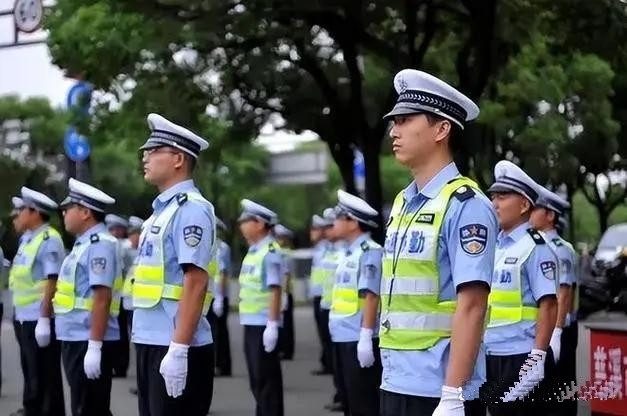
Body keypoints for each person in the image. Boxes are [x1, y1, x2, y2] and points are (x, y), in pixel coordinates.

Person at [379, 69, 496, 416]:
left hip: (439, 388)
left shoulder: (466, 205)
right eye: (393, 122)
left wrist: (452, 394)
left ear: (442, 129)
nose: (393, 131)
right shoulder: (403, 202)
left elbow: (473, 304)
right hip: (396, 378)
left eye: (404, 120)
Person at [131, 113, 217, 416]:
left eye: (154, 150)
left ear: (178, 158)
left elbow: (195, 281)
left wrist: (179, 348)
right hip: (151, 339)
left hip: (175, 343)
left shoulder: (191, 210)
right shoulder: (160, 213)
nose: (145, 156)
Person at [480, 160, 559, 414]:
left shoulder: (536, 248)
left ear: (524, 205)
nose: (495, 204)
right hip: (492, 354)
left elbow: (548, 304)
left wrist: (537, 356)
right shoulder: (495, 246)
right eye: (494, 197)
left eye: (502, 197)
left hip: (521, 356)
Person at [54, 178, 122, 416]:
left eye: (68, 208)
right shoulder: (84, 244)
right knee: (88, 405)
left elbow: (101, 297)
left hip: (87, 338)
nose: (63, 213)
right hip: (77, 336)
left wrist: (94, 346)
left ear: (84, 212)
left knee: (88, 407)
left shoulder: (99, 244)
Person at [8, 187, 67, 416]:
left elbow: (51, 280)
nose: (16, 215)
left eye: (20, 210)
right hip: (23, 314)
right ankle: (32, 407)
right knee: (30, 367)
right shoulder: (28, 239)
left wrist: (44, 317)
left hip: (39, 317)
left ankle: (47, 410)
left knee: (44, 370)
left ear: (34, 212)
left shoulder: (49, 239)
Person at [328, 190, 383, 416]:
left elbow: (370, 296)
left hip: (357, 339)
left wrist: (365, 337)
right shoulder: (348, 253)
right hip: (342, 336)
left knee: (364, 404)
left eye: (340, 217)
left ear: (353, 223)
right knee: (350, 403)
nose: (334, 222)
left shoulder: (370, 252)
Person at [530, 186, 579, 414]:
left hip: (560, 327)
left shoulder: (559, 249)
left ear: (550, 215)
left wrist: (557, 332)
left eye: (536, 208)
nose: (531, 211)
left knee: (560, 385)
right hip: (547, 326)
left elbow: (564, 291)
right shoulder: (537, 244)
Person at [237, 199, 284, 416]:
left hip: (264, 324)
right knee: (257, 379)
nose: (241, 225)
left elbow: (275, 289)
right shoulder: (255, 251)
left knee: (266, 381)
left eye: (246, 221)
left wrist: (272, 325)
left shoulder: (270, 251)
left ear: (259, 224)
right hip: (251, 322)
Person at [319, 208, 348, 412]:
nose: (329, 229)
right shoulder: (332, 250)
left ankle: (344, 396)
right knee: (339, 364)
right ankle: (342, 395)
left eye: (332, 224)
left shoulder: (346, 251)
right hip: (333, 309)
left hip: (349, 318)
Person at [105, 213, 133, 378]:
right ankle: (115, 364)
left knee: (122, 334)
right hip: (115, 295)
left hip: (122, 295)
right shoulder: (113, 245)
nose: (113, 232)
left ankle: (120, 366)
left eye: (115, 229)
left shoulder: (125, 247)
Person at [309, 214, 334, 375]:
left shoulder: (328, 248)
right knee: (322, 333)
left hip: (327, 296)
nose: (311, 232)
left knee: (327, 333)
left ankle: (329, 364)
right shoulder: (319, 249)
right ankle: (326, 362)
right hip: (319, 295)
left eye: (315, 229)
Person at [208, 217, 233, 377]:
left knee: (219, 332)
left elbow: (222, 274)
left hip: (219, 296)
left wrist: (219, 297)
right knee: (211, 331)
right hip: (209, 295)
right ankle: (215, 363)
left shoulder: (221, 248)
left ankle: (222, 364)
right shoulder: (208, 247)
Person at [274, 224, 295, 360]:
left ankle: (287, 350)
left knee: (286, 324)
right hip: (281, 292)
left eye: (280, 238)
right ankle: (282, 348)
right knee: (281, 323)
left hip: (284, 293)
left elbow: (286, 275)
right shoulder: (280, 252)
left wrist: (285, 295)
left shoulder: (285, 253)